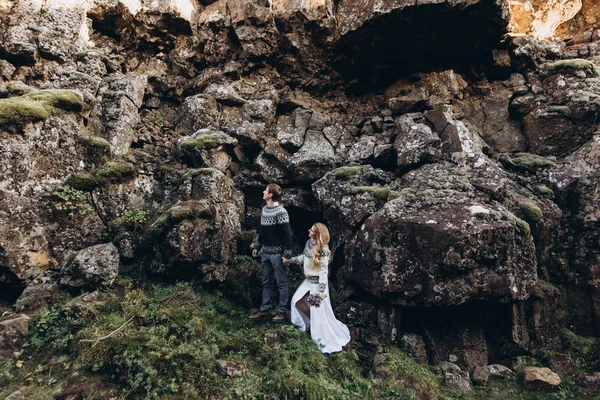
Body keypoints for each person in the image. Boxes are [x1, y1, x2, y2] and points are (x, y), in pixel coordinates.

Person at [286, 223, 351, 354]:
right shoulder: (309, 242)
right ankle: (310, 323)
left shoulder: (324, 250)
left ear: (317, 233)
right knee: (296, 301)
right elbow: (304, 257)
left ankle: (321, 332)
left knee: (318, 310)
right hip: (308, 281)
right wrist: (291, 260)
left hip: (318, 284)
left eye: (312, 229)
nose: (309, 230)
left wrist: (321, 292)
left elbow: (323, 272)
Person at [249, 183, 293, 323]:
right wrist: (257, 246)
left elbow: (287, 235)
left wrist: (287, 254)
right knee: (266, 282)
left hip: (278, 255)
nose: (263, 191)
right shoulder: (264, 210)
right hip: (266, 253)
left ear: (270, 195)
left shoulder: (281, 211)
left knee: (281, 283)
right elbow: (263, 232)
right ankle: (264, 310)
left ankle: (282, 312)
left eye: (265, 190)